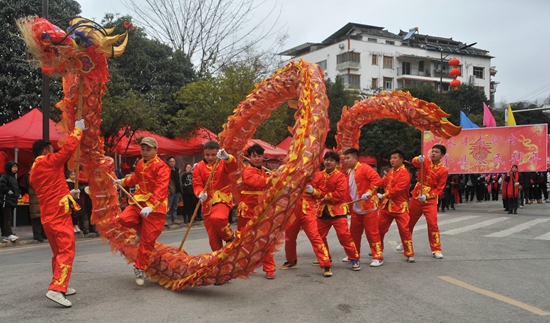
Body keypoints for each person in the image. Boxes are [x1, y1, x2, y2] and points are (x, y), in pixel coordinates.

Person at [29, 119, 85, 307]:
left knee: (59, 252)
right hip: (58, 215)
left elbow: (50, 190)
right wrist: (78, 130)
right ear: (45, 151)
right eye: (51, 148)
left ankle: (62, 283)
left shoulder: (35, 169)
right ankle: (56, 288)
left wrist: (68, 193)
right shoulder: (47, 162)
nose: (54, 151)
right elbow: (68, 150)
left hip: (49, 215)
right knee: (67, 250)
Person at [114, 137, 170, 286]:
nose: (144, 152)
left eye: (148, 150)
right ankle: (140, 230)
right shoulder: (139, 163)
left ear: (155, 150)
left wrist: (151, 206)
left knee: (147, 241)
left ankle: (140, 268)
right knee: (124, 218)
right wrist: (123, 182)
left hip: (155, 208)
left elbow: (161, 189)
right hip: (139, 201)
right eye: (143, 149)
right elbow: (136, 178)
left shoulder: (162, 167)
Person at [310, 151, 361, 272]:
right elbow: (313, 188)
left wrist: (321, 195)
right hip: (322, 212)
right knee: (318, 237)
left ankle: (354, 258)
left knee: (344, 236)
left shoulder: (340, 176)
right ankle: (325, 257)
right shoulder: (319, 175)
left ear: (337, 163)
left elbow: (339, 194)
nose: (328, 162)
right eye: (326, 159)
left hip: (338, 211)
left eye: (331, 160)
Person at [400, 144, 448, 259]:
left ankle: (436, 249)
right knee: (409, 221)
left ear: (442, 155)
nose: (433, 153)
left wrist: (427, 196)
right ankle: (404, 243)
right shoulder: (425, 161)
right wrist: (418, 159)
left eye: (436, 152)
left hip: (429, 200)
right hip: (417, 196)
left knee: (432, 224)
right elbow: (414, 162)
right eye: (432, 151)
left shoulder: (443, 170)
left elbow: (440, 189)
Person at [236, 144, 276, 279]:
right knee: (244, 239)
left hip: (261, 210)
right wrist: (274, 179)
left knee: (264, 238)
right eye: (254, 156)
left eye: (259, 156)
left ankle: (269, 267)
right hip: (247, 210)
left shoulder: (264, 172)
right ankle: (241, 265)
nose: (257, 159)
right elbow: (259, 183)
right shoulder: (247, 171)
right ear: (249, 157)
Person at [342, 148, 384, 267]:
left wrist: (370, 192)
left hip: (369, 207)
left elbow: (377, 180)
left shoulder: (364, 167)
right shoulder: (349, 172)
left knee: (372, 233)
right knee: (354, 233)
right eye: (345, 158)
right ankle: (353, 255)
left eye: (348, 158)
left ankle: (378, 256)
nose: (346, 161)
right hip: (356, 209)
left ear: (356, 158)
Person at [193, 141, 236, 251]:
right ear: (204, 154)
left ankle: (230, 237)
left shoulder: (222, 162)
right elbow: (197, 184)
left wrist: (227, 157)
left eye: (213, 155)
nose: (210, 157)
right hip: (207, 203)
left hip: (222, 197)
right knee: (214, 242)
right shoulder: (198, 167)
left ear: (217, 153)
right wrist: (200, 193)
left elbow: (233, 167)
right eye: (207, 155)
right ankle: (220, 265)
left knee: (218, 218)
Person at [374, 149, 415, 263]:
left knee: (404, 231)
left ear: (402, 160)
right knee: (379, 229)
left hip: (399, 207)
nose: (392, 160)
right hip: (387, 206)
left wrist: (383, 195)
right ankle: (378, 250)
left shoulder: (405, 173)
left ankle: (409, 253)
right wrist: (371, 182)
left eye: (395, 158)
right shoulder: (391, 171)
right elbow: (383, 182)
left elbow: (398, 190)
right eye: (391, 158)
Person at [0, 161, 21, 242]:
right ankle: (8, 234)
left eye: (16, 167)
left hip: (12, 200)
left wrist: (19, 193)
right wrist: (8, 191)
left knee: (9, 217)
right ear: (9, 168)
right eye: (13, 167)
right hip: (6, 200)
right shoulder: (5, 177)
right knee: (7, 218)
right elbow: (2, 185)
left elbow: (16, 188)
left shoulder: (13, 178)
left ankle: (8, 233)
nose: (15, 169)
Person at [165, 156, 183, 226]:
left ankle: (174, 219)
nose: (172, 163)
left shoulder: (177, 170)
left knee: (175, 206)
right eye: (170, 162)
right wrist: (167, 190)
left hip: (177, 191)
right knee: (168, 206)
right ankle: (165, 219)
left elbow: (179, 180)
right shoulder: (166, 170)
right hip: (170, 191)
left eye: (173, 161)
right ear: (168, 162)